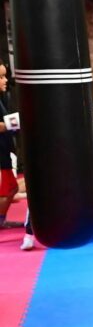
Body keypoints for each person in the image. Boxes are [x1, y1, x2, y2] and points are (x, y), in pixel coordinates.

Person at [0, 59, 24, 230]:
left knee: (11, 188)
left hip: (4, 149)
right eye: (1, 77)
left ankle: (1, 220)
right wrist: (17, 121)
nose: (5, 80)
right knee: (6, 189)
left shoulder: (2, 99)